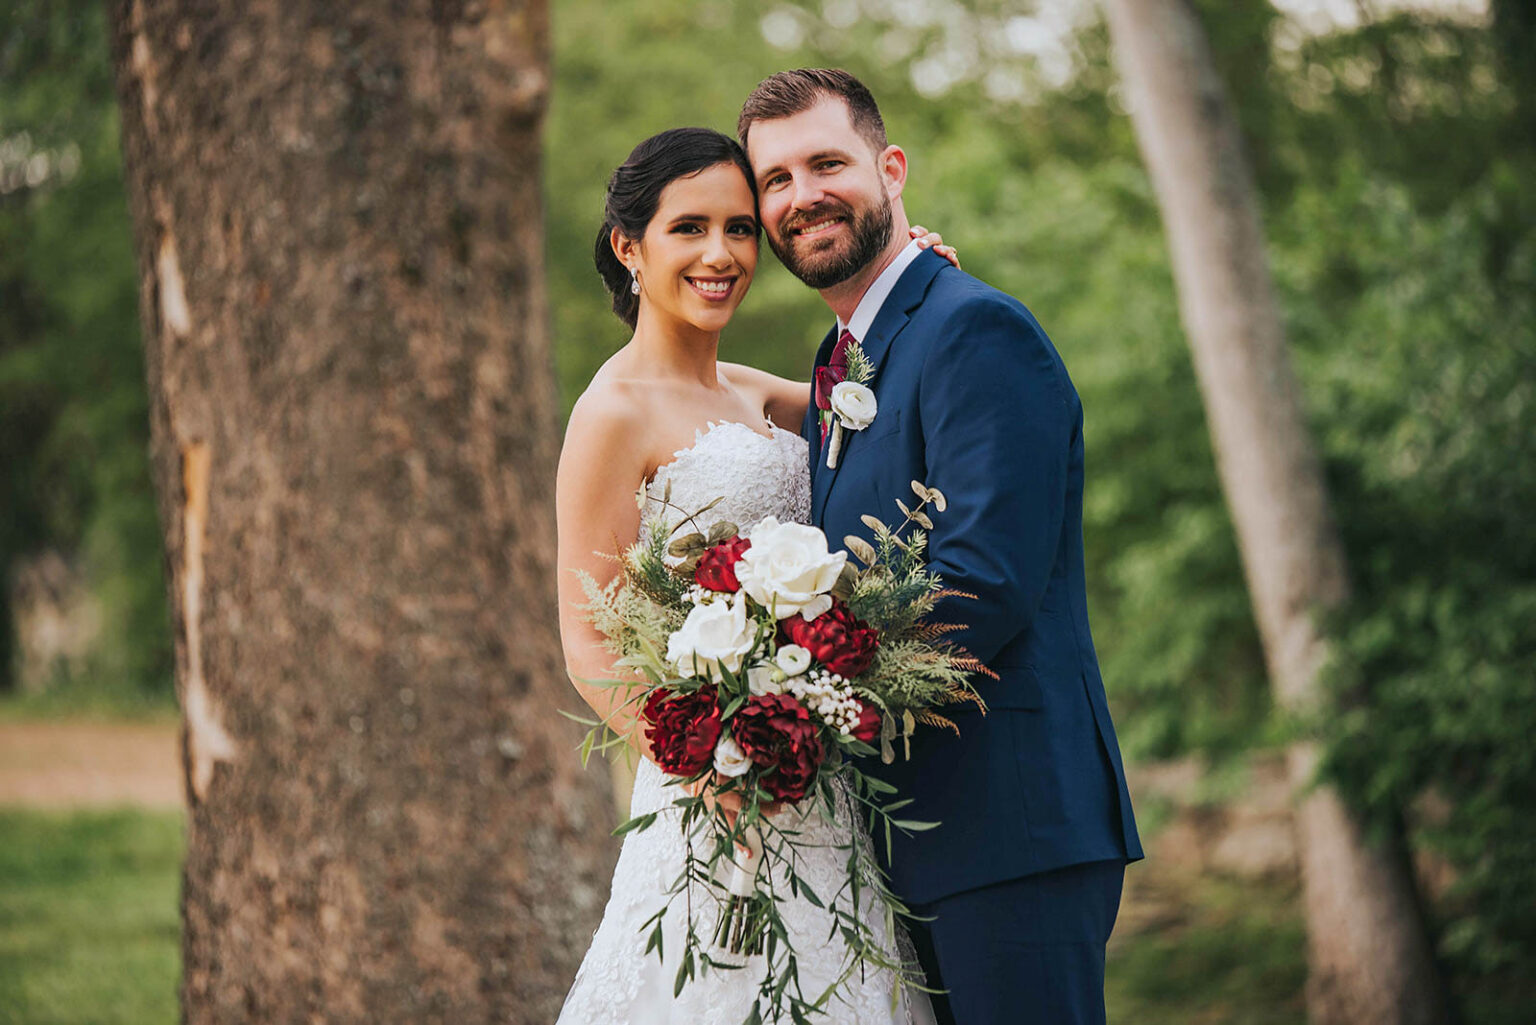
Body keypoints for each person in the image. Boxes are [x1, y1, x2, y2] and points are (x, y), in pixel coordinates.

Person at [736, 69, 1143, 1025]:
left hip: (1010, 828)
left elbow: (981, 584)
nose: (803, 196)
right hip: (902, 839)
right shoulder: (848, 361)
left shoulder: (975, 331)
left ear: (891, 167)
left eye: (827, 163)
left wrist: (795, 701)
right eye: (777, 179)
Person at [554, 126, 956, 1024]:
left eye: (740, 229)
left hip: (818, 776)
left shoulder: (759, 390)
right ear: (630, 246)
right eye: (689, 228)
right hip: (713, 794)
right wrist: (707, 767)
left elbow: (883, 392)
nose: (721, 254)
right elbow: (586, 634)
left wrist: (912, 277)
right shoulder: (609, 413)